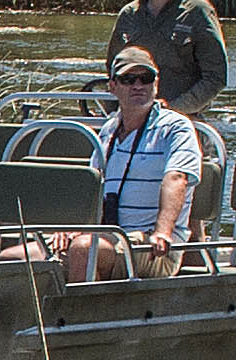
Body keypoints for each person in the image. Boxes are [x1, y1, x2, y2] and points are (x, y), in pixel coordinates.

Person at [51, 47, 207, 279]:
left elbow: (177, 179)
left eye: (146, 78)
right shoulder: (109, 130)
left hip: (151, 245)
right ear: (113, 86)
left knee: (85, 249)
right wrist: (74, 226)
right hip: (106, 235)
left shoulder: (176, 127)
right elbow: (93, 189)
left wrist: (163, 231)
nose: (138, 85)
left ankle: (80, 315)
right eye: (128, 79)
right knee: (17, 257)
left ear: (156, 83)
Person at [110, 0, 231, 119]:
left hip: (184, 123)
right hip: (134, 123)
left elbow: (215, 78)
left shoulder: (198, 12)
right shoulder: (128, 14)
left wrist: (172, 110)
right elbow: (114, 70)